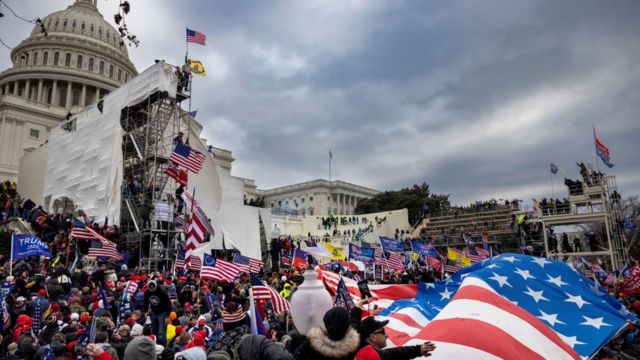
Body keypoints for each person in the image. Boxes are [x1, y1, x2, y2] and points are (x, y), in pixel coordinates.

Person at [293, 307, 360, 360]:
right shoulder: (353, 346)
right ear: (347, 324)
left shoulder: (313, 342)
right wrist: (357, 309)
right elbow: (358, 325)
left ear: (326, 321)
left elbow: (297, 356)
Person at [355, 316, 435, 360]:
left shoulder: (363, 350)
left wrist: (418, 349)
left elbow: (393, 353)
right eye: (382, 331)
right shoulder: (368, 354)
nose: (386, 335)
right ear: (372, 337)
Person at [144, 280, 171, 345]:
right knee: (154, 330)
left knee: (161, 331)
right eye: (151, 289)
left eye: (153, 289)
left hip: (162, 312)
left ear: (156, 287)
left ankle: (162, 346)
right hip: (153, 311)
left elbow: (168, 303)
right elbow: (145, 302)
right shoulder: (147, 292)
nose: (152, 291)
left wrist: (167, 316)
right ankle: (155, 344)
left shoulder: (162, 291)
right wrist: (145, 311)